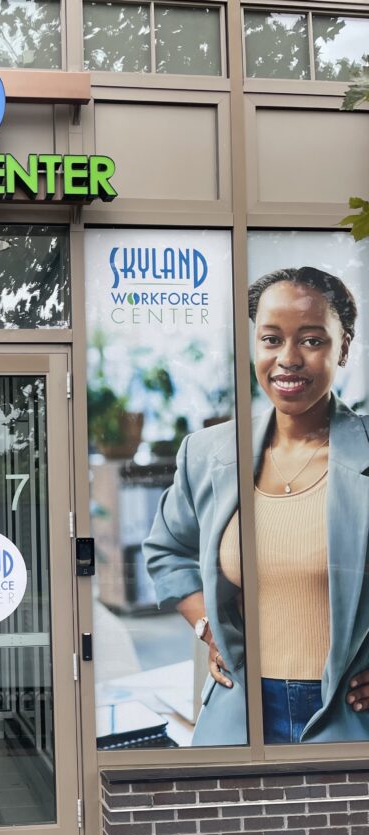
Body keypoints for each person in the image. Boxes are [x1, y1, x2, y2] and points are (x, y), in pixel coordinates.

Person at [144, 266, 369, 745]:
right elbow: (167, 551)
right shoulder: (208, 454)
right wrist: (208, 627)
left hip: (351, 716)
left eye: (311, 340)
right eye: (271, 339)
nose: (288, 359)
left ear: (343, 346)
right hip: (239, 710)